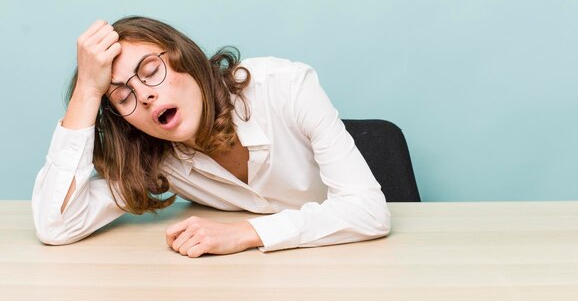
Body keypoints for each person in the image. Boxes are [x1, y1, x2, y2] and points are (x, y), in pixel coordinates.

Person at [32, 16, 390, 257]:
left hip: (360, 262)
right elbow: (57, 224)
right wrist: (88, 91)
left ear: (184, 59)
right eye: (123, 96)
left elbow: (370, 212)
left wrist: (246, 233)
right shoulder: (157, 158)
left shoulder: (286, 86)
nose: (143, 95)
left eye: (151, 71)